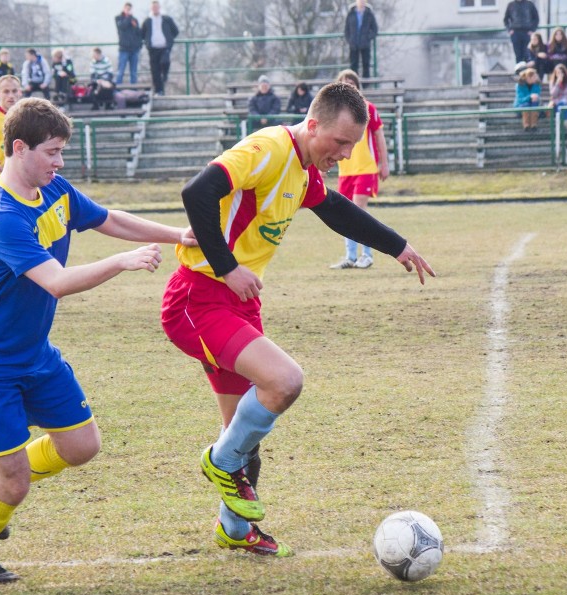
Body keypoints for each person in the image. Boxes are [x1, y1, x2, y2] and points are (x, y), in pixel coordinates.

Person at [160, 82, 434, 559]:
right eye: (341, 143)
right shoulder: (267, 149)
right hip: (199, 298)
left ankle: (235, 528)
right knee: (284, 382)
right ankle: (218, 461)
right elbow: (197, 191)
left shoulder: (304, 168)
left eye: (353, 146)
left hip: (237, 304)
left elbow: (334, 209)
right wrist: (227, 266)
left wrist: (397, 245)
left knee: (246, 433)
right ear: (313, 126)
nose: (346, 156)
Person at [0, 97, 197, 583]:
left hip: (34, 354)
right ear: (20, 148)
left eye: (62, 152)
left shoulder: (54, 191)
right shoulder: (0, 215)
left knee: (82, 445)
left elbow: (111, 218)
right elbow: (56, 281)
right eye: (53, 152)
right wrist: (121, 262)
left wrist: (178, 236)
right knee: (15, 485)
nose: (60, 162)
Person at [329, 69, 389, 270]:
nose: (349, 87)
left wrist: (384, 163)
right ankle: (351, 256)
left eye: (352, 84)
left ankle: (367, 254)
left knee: (358, 210)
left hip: (366, 168)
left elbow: (379, 136)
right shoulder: (337, 113)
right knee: (345, 213)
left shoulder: (368, 108)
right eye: (344, 84)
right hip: (346, 170)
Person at [141, 0, 179, 96]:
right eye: (153, 7)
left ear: (159, 8)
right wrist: (147, 42)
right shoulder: (148, 21)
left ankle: (165, 76)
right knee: (155, 71)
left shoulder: (166, 19)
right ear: (151, 9)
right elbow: (142, 33)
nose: (155, 9)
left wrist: (169, 39)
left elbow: (175, 31)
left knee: (165, 62)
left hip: (164, 47)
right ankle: (159, 90)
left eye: (156, 7)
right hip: (153, 48)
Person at [344, 0, 378, 79]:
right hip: (353, 44)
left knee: (366, 64)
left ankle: (366, 84)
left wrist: (368, 38)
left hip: (365, 44)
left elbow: (375, 29)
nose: (361, 2)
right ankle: (353, 83)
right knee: (353, 64)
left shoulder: (369, 14)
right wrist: (349, 39)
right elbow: (346, 29)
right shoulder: (351, 13)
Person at [503, 0, 539, 65]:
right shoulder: (511, 5)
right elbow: (506, 19)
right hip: (515, 32)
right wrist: (509, 30)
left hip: (527, 32)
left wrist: (532, 30)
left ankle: (526, 71)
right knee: (518, 54)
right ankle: (519, 70)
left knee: (527, 53)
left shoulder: (529, 4)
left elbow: (536, 18)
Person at [115, 2, 142, 85]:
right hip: (124, 49)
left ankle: (134, 89)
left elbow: (139, 33)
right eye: (126, 9)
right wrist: (129, 17)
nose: (128, 10)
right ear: (123, 9)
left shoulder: (134, 20)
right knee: (121, 71)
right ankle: (118, 89)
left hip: (134, 49)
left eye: (129, 9)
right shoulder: (118, 18)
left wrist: (135, 26)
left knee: (133, 72)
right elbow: (122, 27)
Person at [547, 64, 567, 130]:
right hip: (556, 104)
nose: (559, 75)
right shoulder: (553, 82)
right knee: (561, 105)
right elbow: (553, 94)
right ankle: (565, 124)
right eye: (558, 73)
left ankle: (561, 126)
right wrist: (557, 83)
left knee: (564, 105)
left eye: (561, 73)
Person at [514, 67, 541, 131]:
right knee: (526, 105)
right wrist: (530, 97)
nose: (535, 78)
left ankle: (534, 125)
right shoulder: (519, 85)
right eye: (533, 77)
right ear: (528, 77)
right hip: (521, 106)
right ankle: (526, 125)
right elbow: (520, 100)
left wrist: (536, 98)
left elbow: (537, 96)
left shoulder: (537, 85)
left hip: (533, 105)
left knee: (534, 104)